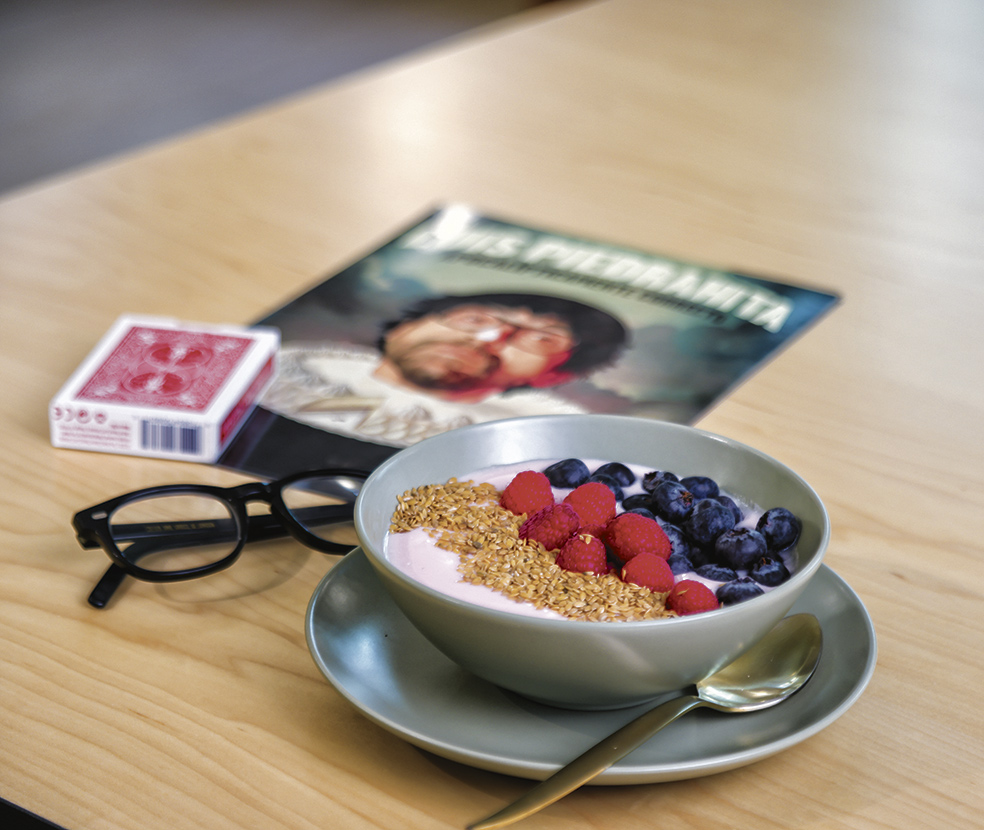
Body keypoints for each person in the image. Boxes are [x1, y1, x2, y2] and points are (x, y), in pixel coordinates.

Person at [260, 293, 627, 447]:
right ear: (405, 326)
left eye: (541, 339)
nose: (489, 338)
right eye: (474, 319)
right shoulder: (289, 366)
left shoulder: (540, 435)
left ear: (555, 374)